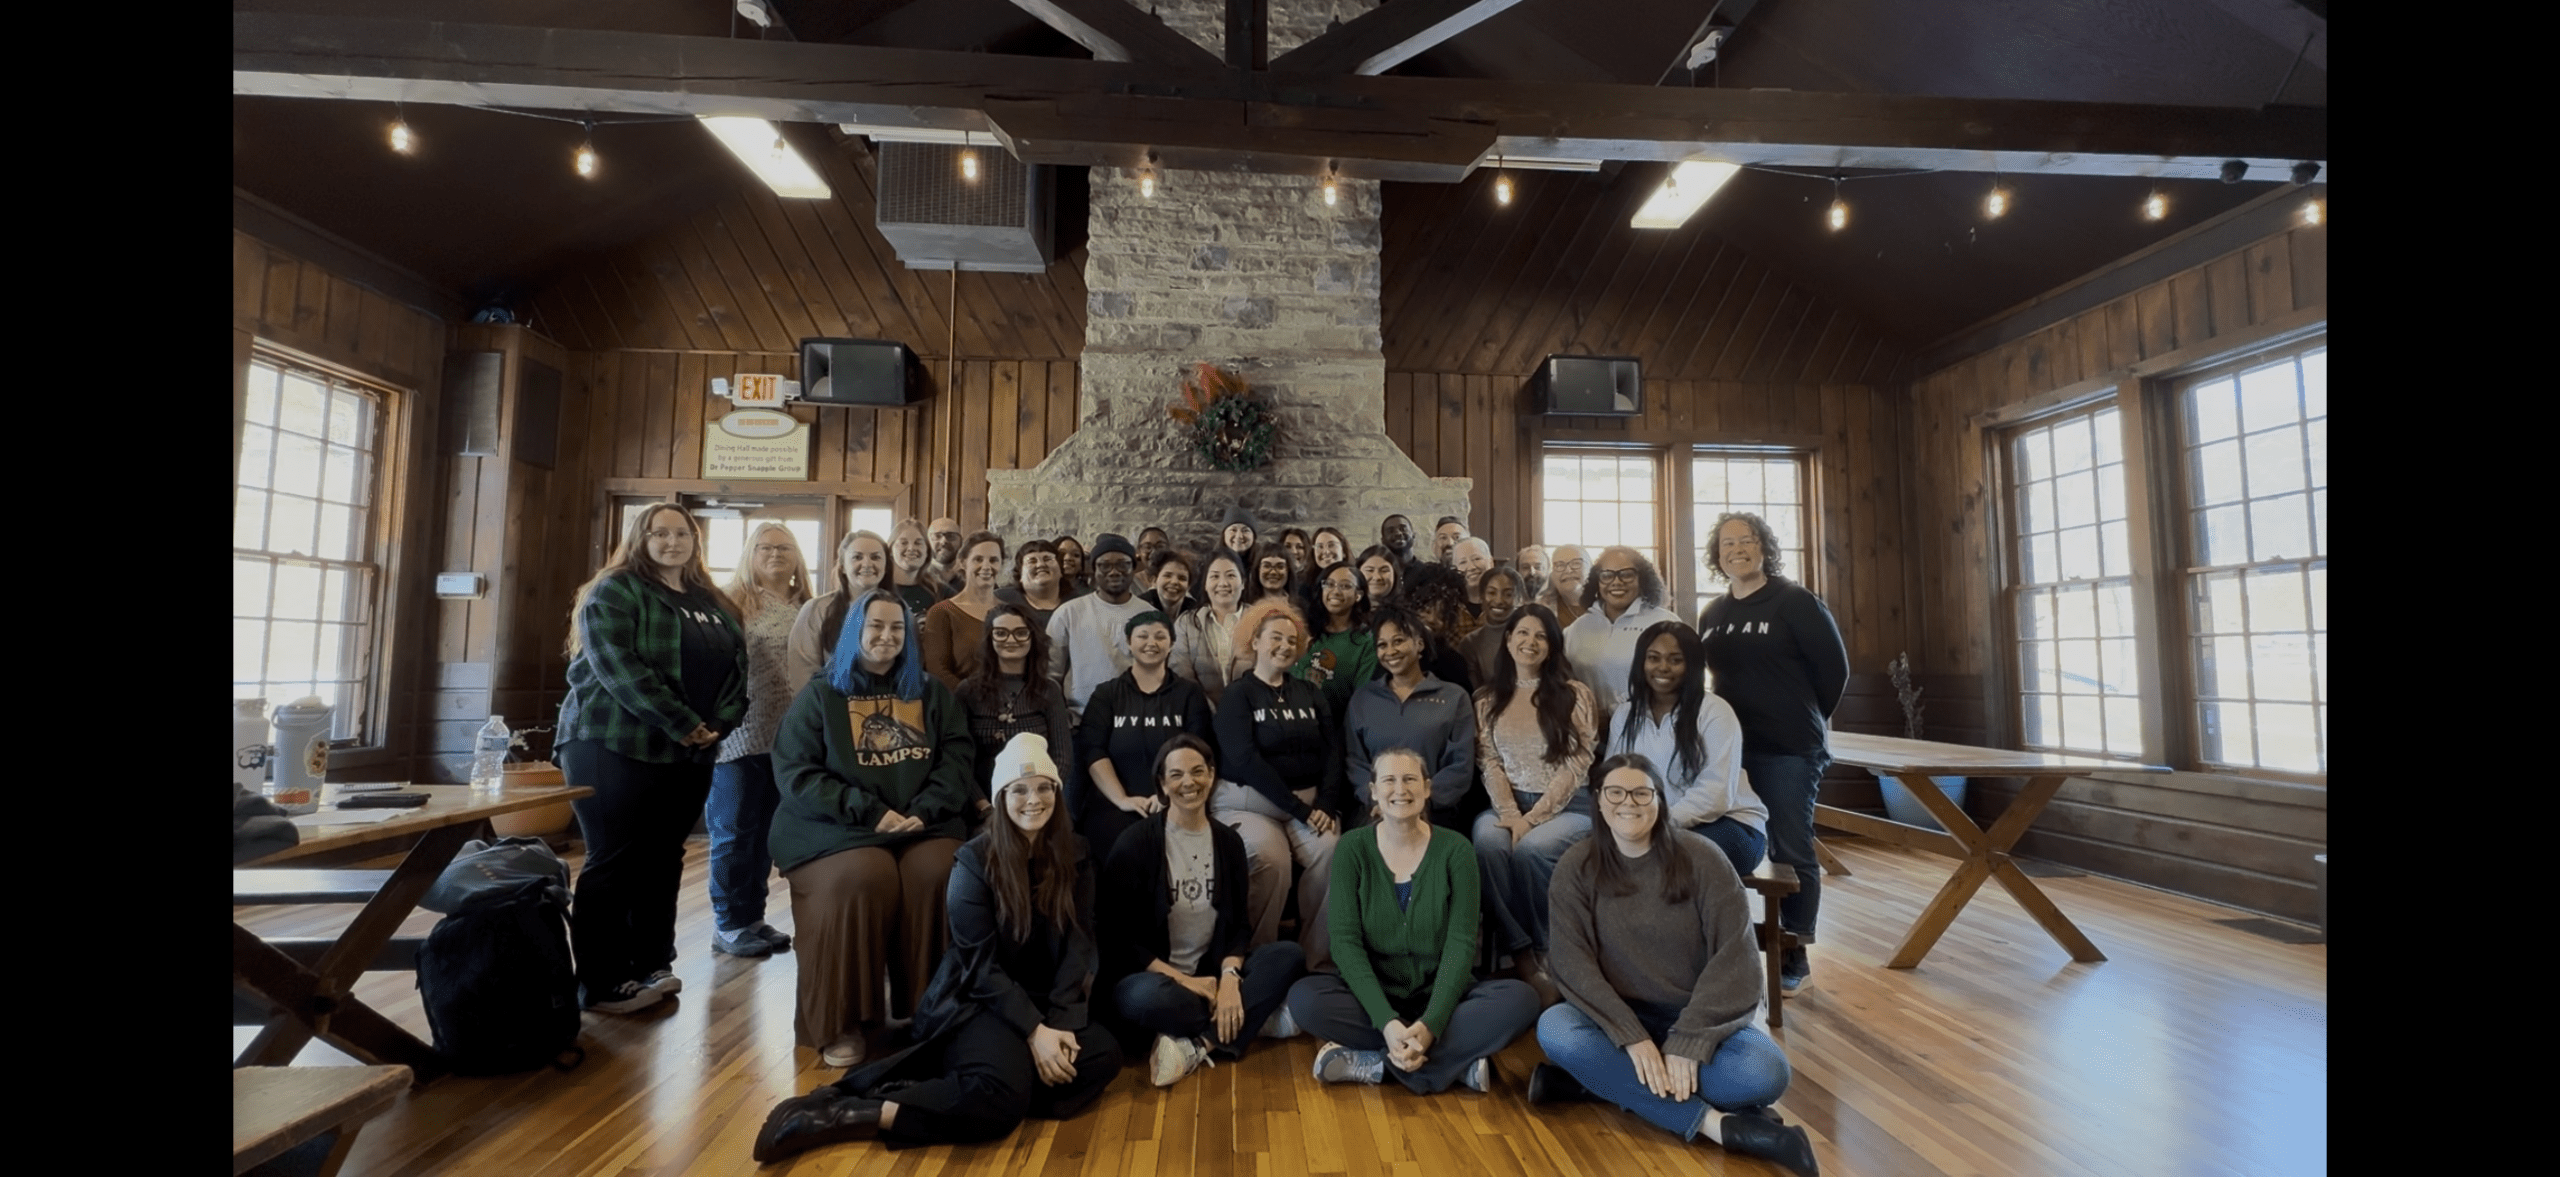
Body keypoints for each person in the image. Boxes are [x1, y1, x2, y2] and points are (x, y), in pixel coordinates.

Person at [753, 734, 1121, 1162]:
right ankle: (850, 1113)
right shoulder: (973, 862)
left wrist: (1058, 1022)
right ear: (1001, 797)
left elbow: (1079, 944)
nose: (1033, 799)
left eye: (1044, 787)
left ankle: (978, 1086)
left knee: (1102, 1056)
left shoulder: (1076, 854)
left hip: (1040, 1000)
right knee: (1002, 1099)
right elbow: (980, 969)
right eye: (1019, 789)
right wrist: (1036, 1033)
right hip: (977, 1002)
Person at [1530, 755, 1817, 1177]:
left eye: (1641, 793)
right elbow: (1572, 964)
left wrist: (1689, 1040)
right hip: (1617, 1024)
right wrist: (1631, 1036)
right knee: (1556, 1028)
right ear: (1599, 801)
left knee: (1766, 1073)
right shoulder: (1576, 866)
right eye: (1615, 792)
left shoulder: (1704, 859)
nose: (1628, 803)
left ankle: (1597, 1084)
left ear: (1660, 801)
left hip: (1701, 1023)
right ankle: (1722, 1128)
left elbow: (1736, 962)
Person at [770, 589, 976, 1068]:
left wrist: (928, 808)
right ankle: (842, 1022)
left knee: (939, 873)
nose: (887, 636)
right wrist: (867, 811)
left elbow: (957, 756)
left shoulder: (931, 692)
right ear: (854, 632)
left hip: (922, 822)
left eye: (897, 627)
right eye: (876, 626)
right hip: (838, 828)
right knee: (860, 878)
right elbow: (797, 773)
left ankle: (933, 1010)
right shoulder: (821, 695)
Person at [556, 503, 749, 1013]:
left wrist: (720, 723)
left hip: (691, 747)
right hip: (612, 740)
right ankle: (601, 982)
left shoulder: (714, 601)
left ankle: (651, 962)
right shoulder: (615, 590)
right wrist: (682, 721)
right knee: (614, 857)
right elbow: (619, 667)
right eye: (659, 533)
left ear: (695, 541)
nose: (671, 542)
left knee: (664, 855)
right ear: (639, 539)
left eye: (681, 533)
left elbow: (738, 672)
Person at [1285, 749, 1539, 1094]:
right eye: (1389, 780)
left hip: (1442, 995)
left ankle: (1381, 1065)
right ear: (1374, 791)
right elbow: (1345, 943)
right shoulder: (1352, 848)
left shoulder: (1456, 849)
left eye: (1409, 779)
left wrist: (1431, 1024)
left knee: (1522, 999)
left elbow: (1461, 944)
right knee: (1305, 999)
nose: (1400, 789)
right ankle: (1450, 1063)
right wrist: (1387, 1022)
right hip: (1373, 995)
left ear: (1427, 788)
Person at [1100, 735, 1309, 1086]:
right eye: (1176, 774)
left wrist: (1228, 981)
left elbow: (1239, 926)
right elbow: (1121, 940)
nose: (1189, 782)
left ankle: (1199, 1044)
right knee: (1140, 998)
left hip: (1211, 974)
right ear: (1162, 784)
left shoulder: (1229, 842)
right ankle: (1248, 1018)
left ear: (1212, 776)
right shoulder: (1134, 844)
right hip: (1159, 981)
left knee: (1288, 955)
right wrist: (1188, 983)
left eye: (1198, 771)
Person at [1698, 512, 1847, 995]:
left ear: (1764, 547)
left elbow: (1834, 672)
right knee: (1728, 841)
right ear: (1717, 555)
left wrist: (1801, 717)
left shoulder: (1795, 601)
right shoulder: (1712, 614)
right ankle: (1731, 946)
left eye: (1746, 540)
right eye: (1727, 543)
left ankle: (1794, 952)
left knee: (1790, 846)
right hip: (1731, 750)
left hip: (1789, 749)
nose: (1737, 549)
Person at [1211, 597, 1347, 968]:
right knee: (1271, 860)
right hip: (1249, 803)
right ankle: (1259, 961)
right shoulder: (1238, 695)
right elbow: (1245, 760)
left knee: (1331, 851)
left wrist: (1325, 804)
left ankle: (1314, 961)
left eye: (1291, 640)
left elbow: (1333, 751)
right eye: (1276, 637)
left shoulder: (1310, 692)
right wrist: (1298, 809)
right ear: (1255, 641)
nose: (1285, 646)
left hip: (1308, 805)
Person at [1472, 603, 1598, 1004]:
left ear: (1552, 646)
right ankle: (1522, 953)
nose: (1531, 642)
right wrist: (1511, 814)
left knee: (1531, 850)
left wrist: (1534, 818)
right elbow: (1490, 761)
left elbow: (1578, 762)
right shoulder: (1487, 699)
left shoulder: (1574, 695)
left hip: (1570, 807)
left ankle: (1549, 951)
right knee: (1487, 844)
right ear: (1508, 640)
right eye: (1523, 633)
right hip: (1509, 805)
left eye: (1541, 635)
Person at [707, 521, 811, 959]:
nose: (775, 554)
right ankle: (728, 923)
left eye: (784, 547)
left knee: (766, 832)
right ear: (750, 554)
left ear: (797, 556)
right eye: (765, 547)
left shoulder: (807, 605)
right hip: (740, 735)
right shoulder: (731, 602)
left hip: (788, 738)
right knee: (733, 832)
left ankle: (752, 916)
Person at [1606, 621, 1767, 876]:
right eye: (1653, 658)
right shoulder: (1626, 715)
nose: (1663, 667)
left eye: (1675, 660)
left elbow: (1715, 794)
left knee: (1662, 857)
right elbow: (1615, 779)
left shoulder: (1715, 712)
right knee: (1600, 854)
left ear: (1691, 665)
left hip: (1731, 825)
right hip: (1652, 826)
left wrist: (1656, 825)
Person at [1074, 610, 1213, 857]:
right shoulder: (1106, 694)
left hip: (1178, 799)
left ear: (1171, 644)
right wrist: (1122, 799)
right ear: (1129, 643)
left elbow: (1199, 750)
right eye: (1143, 636)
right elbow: (1093, 750)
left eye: (1160, 636)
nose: (1151, 643)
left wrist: (1169, 794)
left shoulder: (1189, 694)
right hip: (1114, 804)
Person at [1342, 603, 1478, 830]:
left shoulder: (1454, 697)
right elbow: (1355, 762)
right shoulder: (1363, 698)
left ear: (1419, 644)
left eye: (1399, 641)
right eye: (1382, 645)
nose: (1390, 651)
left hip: (1435, 812)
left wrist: (1419, 801)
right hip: (1376, 811)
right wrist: (1379, 800)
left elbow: (1460, 765)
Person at [956, 602, 1077, 836]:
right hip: (983, 808)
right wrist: (985, 807)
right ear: (989, 639)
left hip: (1038, 805)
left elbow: (1062, 758)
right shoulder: (968, 691)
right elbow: (960, 759)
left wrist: (1037, 801)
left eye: (1021, 632)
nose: (1011, 640)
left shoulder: (1049, 690)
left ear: (1033, 638)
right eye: (1001, 633)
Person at [1562, 546, 1683, 715]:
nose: (1616, 582)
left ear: (1642, 578)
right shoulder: (1577, 628)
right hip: (1590, 727)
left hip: (1648, 724)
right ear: (1597, 581)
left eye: (1626, 574)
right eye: (1607, 575)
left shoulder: (1665, 623)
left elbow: (1682, 683)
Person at [1047, 533, 1149, 718]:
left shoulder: (1149, 615)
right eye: (1105, 565)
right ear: (1094, 570)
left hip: (1135, 718)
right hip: (1080, 719)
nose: (1114, 572)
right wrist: (1059, 717)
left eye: (1123, 564)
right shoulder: (1069, 613)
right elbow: (1051, 674)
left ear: (1133, 568)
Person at [789, 529, 891, 687]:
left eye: (875, 557)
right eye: (857, 557)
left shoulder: (900, 610)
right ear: (842, 566)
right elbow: (803, 675)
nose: (867, 564)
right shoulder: (816, 610)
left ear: (886, 566)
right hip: (829, 700)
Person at [920, 531, 1007, 691]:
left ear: (1001, 564)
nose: (986, 566)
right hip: (962, 703)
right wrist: (975, 699)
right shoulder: (942, 612)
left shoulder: (1011, 612)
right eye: (978, 559)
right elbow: (937, 670)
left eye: (993, 560)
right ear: (963, 562)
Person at [1293, 560, 1377, 721]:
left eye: (1345, 586)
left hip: (1337, 725)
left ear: (1358, 595)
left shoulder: (1366, 641)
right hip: (1293, 720)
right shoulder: (1304, 629)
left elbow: (1360, 699)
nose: (1335, 591)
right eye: (1329, 584)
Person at [1169, 549, 1248, 710]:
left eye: (1231, 575)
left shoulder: (1261, 620)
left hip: (1254, 715)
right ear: (1205, 584)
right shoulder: (1186, 623)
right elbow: (1180, 675)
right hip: (1200, 714)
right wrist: (1209, 711)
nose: (1223, 583)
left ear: (1243, 582)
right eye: (1214, 576)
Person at [1397, 562, 1478, 694]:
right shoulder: (1392, 651)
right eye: (1426, 609)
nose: (1432, 619)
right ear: (1410, 605)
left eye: (1442, 614)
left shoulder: (1454, 664)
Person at [1460, 566, 1525, 689]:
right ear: (1481, 596)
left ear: (1519, 598)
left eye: (1508, 594)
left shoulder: (1532, 636)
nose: (1499, 600)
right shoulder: (1470, 643)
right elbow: (1475, 693)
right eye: (1491, 593)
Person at [995, 539, 1067, 632]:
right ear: (1020, 575)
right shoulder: (999, 600)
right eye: (1032, 561)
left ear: (1061, 570)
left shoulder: (1077, 605)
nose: (1041, 564)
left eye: (1047, 559)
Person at [887, 518, 947, 615]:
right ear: (890, 550)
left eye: (918, 543)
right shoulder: (879, 588)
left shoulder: (940, 591)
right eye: (903, 543)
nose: (911, 548)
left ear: (927, 551)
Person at [1539, 544, 1589, 629]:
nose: (1568, 570)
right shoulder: (1540, 610)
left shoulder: (1607, 606)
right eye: (1560, 565)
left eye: (1576, 563)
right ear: (1552, 574)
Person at [1137, 548, 1196, 619]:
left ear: (1189, 585)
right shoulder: (1139, 607)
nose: (1174, 582)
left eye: (1182, 578)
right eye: (1167, 575)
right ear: (1154, 580)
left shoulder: (1195, 612)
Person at [1354, 544, 1402, 612]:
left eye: (1384, 570)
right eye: (1369, 570)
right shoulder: (1346, 612)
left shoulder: (1407, 615)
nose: (1377, 577)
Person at [924, 516, 965, 595]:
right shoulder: (916, 577)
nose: (944, 541)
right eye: (937, 536)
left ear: (961, 541)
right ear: (926, 542)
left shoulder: (972, 577)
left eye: (951, 536)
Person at [1053, 535, 1088, 600]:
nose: (1068, 558)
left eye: (1076, 555)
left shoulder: (1089, 595)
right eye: (1061, 554)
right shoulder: (1043, 593)